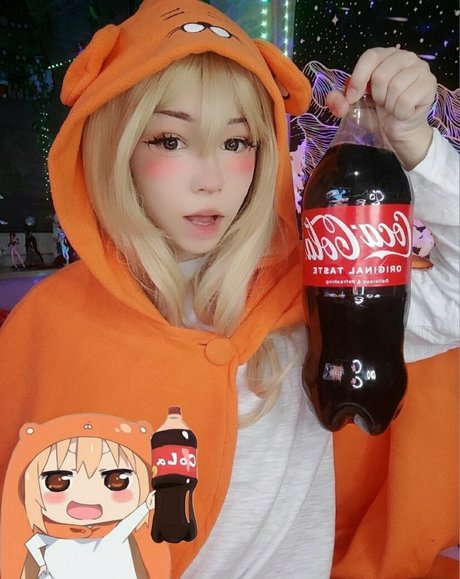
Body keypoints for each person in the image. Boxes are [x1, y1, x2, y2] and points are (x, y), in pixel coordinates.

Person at [0, 1, 458, 577]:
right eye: (170, 140)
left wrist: (415, 143)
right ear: (117, 146)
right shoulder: (53, 321)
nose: (211, 180)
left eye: (237, 143)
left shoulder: (316, 290)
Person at [1, 413, 170, 578]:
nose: (86, 498)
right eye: (58, 481)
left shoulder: (115, 542)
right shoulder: (53, 544)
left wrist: (146, 506)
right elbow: (32, 544)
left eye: (117, 480)